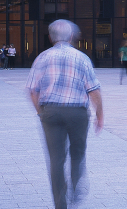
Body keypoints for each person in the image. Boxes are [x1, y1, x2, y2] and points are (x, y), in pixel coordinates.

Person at [26, 20, 103, 209]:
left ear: (51, 37)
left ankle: (60, 204)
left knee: (56, 159)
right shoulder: (81, 58)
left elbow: (32, 90)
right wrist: (100, 114)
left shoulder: (42, 58)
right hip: (77, 113)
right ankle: (76, 189)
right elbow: (93, 90)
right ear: (71, 37)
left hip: (50, 112)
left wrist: (40, 111)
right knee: (77, 154)